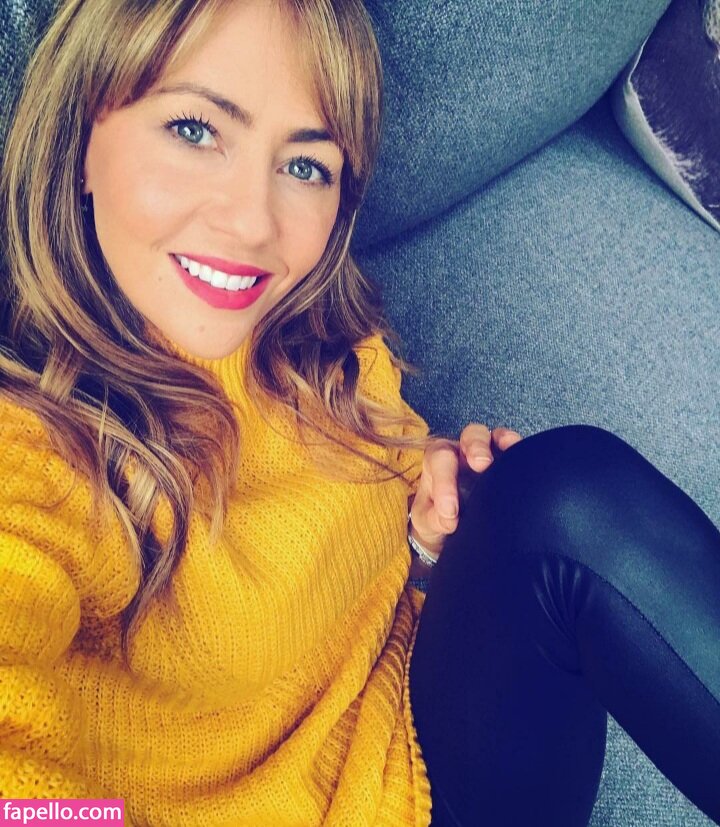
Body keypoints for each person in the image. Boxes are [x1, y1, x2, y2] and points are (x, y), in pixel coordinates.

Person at [0, 2, 718, 826]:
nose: (253, 221)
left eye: (305, 166)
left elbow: (360, 527)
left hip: (416, 742)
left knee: (559, 493)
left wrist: (429, 527)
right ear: (85, 138)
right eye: (195, 130)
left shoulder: (317, 342)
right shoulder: (38, 453)